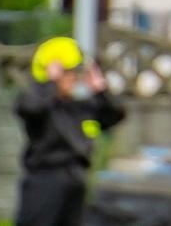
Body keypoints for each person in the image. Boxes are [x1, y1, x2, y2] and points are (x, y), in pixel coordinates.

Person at [14, 36, 127, 226]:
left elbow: (115, 115)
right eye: (68, 73)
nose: (73, 78)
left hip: (76, 178)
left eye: (75, 74)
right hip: (45, 179)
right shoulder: (42, 104)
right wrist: (51, 82)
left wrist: (101, 90)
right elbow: (29, 107)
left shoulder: (80, 105)